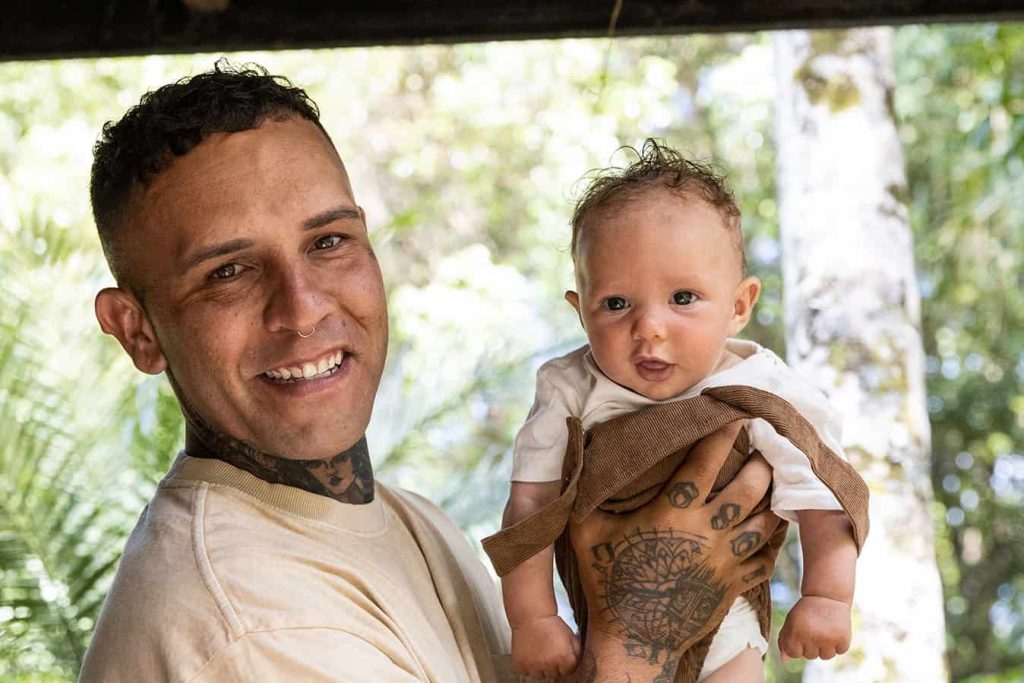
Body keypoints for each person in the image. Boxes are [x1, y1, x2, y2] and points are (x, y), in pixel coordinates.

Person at [78, 63, 782, 683]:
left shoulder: (410, 521)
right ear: (137, 330)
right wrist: (642, 635)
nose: (303, 308)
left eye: (328, 241)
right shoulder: (250, 625)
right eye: (229, 271)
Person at [490, 140, 868, 682]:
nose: (649, 328)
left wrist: (826, 596)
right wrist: (534, 619)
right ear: (580, 311)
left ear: (739, 306)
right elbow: (530, 505)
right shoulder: (568, 388)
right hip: (603, 630)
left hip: (728, 630)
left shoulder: (761, 386)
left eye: (683, 298)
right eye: (616, 304)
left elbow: (823, 494)